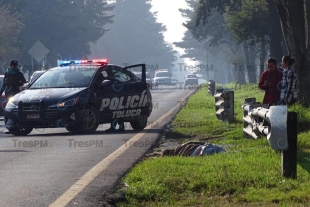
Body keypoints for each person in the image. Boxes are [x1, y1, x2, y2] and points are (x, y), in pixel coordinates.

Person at [0, 60, 27, 134]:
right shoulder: (7, 74)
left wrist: (18, 83)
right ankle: (8, 127)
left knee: (16, 112)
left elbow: (24, 83)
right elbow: (4, 85)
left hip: (17, 95)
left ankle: (18, 126)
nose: (13, 67)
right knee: (8, 111)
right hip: (8, 95)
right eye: (12, 65)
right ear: (10, 65)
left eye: (15, 65)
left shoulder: (19, 74)